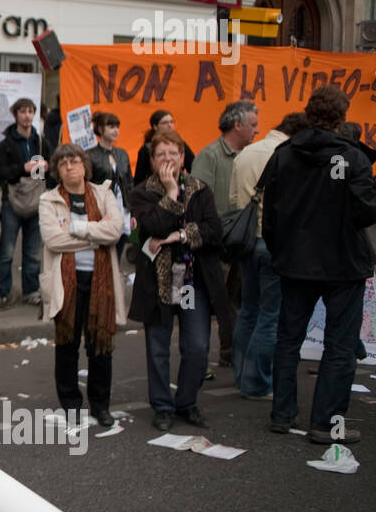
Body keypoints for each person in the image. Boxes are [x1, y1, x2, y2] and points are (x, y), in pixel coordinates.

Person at [261, 85, 376, 444]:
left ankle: (282, 414)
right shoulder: (353, 157)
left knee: (288, 339)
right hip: (343, 264)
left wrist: (281, 252)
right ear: (341, 118)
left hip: (296, 263)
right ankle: (325, 423)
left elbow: (270, 216)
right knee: (340, 345)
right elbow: (368, 212)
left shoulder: (284, 154)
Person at [129, 131, 228, 431]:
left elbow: (213, 230)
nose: (168, 160)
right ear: (152, 159)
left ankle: (186, 401)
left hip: (190, 282)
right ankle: (161, 406)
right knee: (158, 347)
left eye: (174, 153)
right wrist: (171, 193)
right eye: (161, 154)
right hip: (157, 282)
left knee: (197, 346)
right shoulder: (142, 192)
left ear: (183, 157)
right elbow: (154, 225)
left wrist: (180, 235)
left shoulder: (200, 190)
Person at [39, 144, 126, 427]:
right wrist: (94, 236)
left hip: (101, 283)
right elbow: (53, 240)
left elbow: (115, 230)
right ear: (56, 171)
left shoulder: (103, 193)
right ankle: (71, 405)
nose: (69, 167)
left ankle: (101, 405)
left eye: (74, 161)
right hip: (67, 284)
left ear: (84, 165)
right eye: (62, 163)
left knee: (100, 346)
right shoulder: (48, 200)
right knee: (67, 345)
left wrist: (77, 229)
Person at [229, 111, 308, 399]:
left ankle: (241, 377)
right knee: (270, 315)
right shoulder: (289, 154)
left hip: (246, 242)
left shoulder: (247, 153)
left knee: (248, 309)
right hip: (275, 243)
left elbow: (234, 200)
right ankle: (257, 383)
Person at [191, 100, 260, 369]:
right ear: (237, 124)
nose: (257, 130)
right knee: (211, 301)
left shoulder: (251, 156)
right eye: (253, 125)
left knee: (237, 301)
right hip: (216, 242)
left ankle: (231, 354)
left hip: (242, 241)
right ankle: (200, 360)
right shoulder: (209, 156)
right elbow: (196, 199)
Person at [0, 97, 47, 305]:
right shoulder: (6, 144)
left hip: (36, 200)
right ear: (16, 115)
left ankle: (30, 291)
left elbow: (49, 173)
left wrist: (46, 167)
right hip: (12, 202)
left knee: (33, 251)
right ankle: (3, 291)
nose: (27, 116)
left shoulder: (40, 141)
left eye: (31, 111)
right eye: (23, 111)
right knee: (6, 251)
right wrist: (21, 169)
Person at [85, 111, 135, 256]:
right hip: (101, 208)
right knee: (103, 250)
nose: (116, 131)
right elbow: (87, 184)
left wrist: (133, 212)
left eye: (117, 127)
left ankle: (115, 276)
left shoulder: (122, 154)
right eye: (111, 126)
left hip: (122, 206)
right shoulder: (90, 155)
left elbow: (130, 183)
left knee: (119, 246)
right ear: (100, 129)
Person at [134, 109, 195, 184]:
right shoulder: (146, 149)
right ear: (155, 127)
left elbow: (193, 168)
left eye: (171, 122)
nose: (169, 125)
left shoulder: (181, 144)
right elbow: (139, 178)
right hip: (154, 189)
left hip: (179, 186)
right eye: (165, 123)